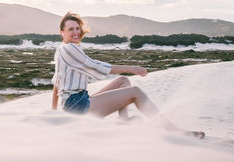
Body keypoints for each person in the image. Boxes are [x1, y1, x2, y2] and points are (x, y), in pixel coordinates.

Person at [51, 12, 205, 139]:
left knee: (123, 81)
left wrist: (52, 113)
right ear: (62, 32)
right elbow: (95, 65)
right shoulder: (70, 49)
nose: (76, 32)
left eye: (77, 28)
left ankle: (124, 120)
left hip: (75, 104)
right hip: (79, 107)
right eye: (70, 29)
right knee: (135, 92)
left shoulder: (60, 50)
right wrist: (131, 68)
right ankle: (177, 133)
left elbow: (56, 83)